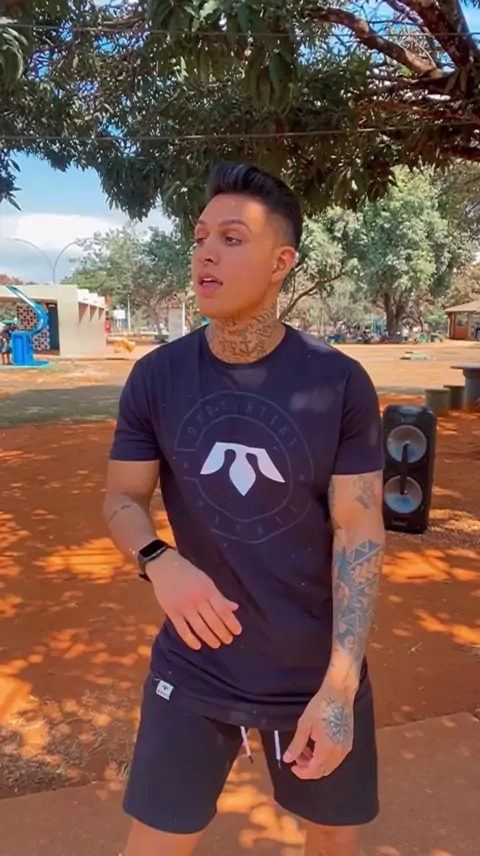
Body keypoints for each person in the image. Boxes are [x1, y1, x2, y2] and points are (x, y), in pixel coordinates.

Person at [105, 163, 385, 856]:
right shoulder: (156, 377)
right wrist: (158, 559)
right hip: (195, 665)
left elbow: (358, 530)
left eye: (231, 239)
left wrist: (340, 687)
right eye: (201, 237)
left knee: (334, 847)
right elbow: (122, 497)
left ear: (281, 263)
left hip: (311, 671)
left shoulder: (339, 382)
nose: (205, 252)